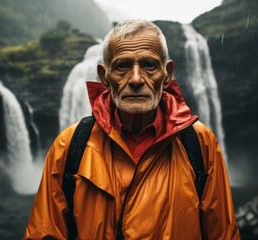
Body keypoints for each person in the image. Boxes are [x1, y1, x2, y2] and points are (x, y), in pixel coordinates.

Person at [24, 19, 240, 239]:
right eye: (122, 66)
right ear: (104, 77)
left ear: (167, 75)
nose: (136, 79)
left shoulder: (200, 142)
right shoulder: (69, 145)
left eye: (149, 65)